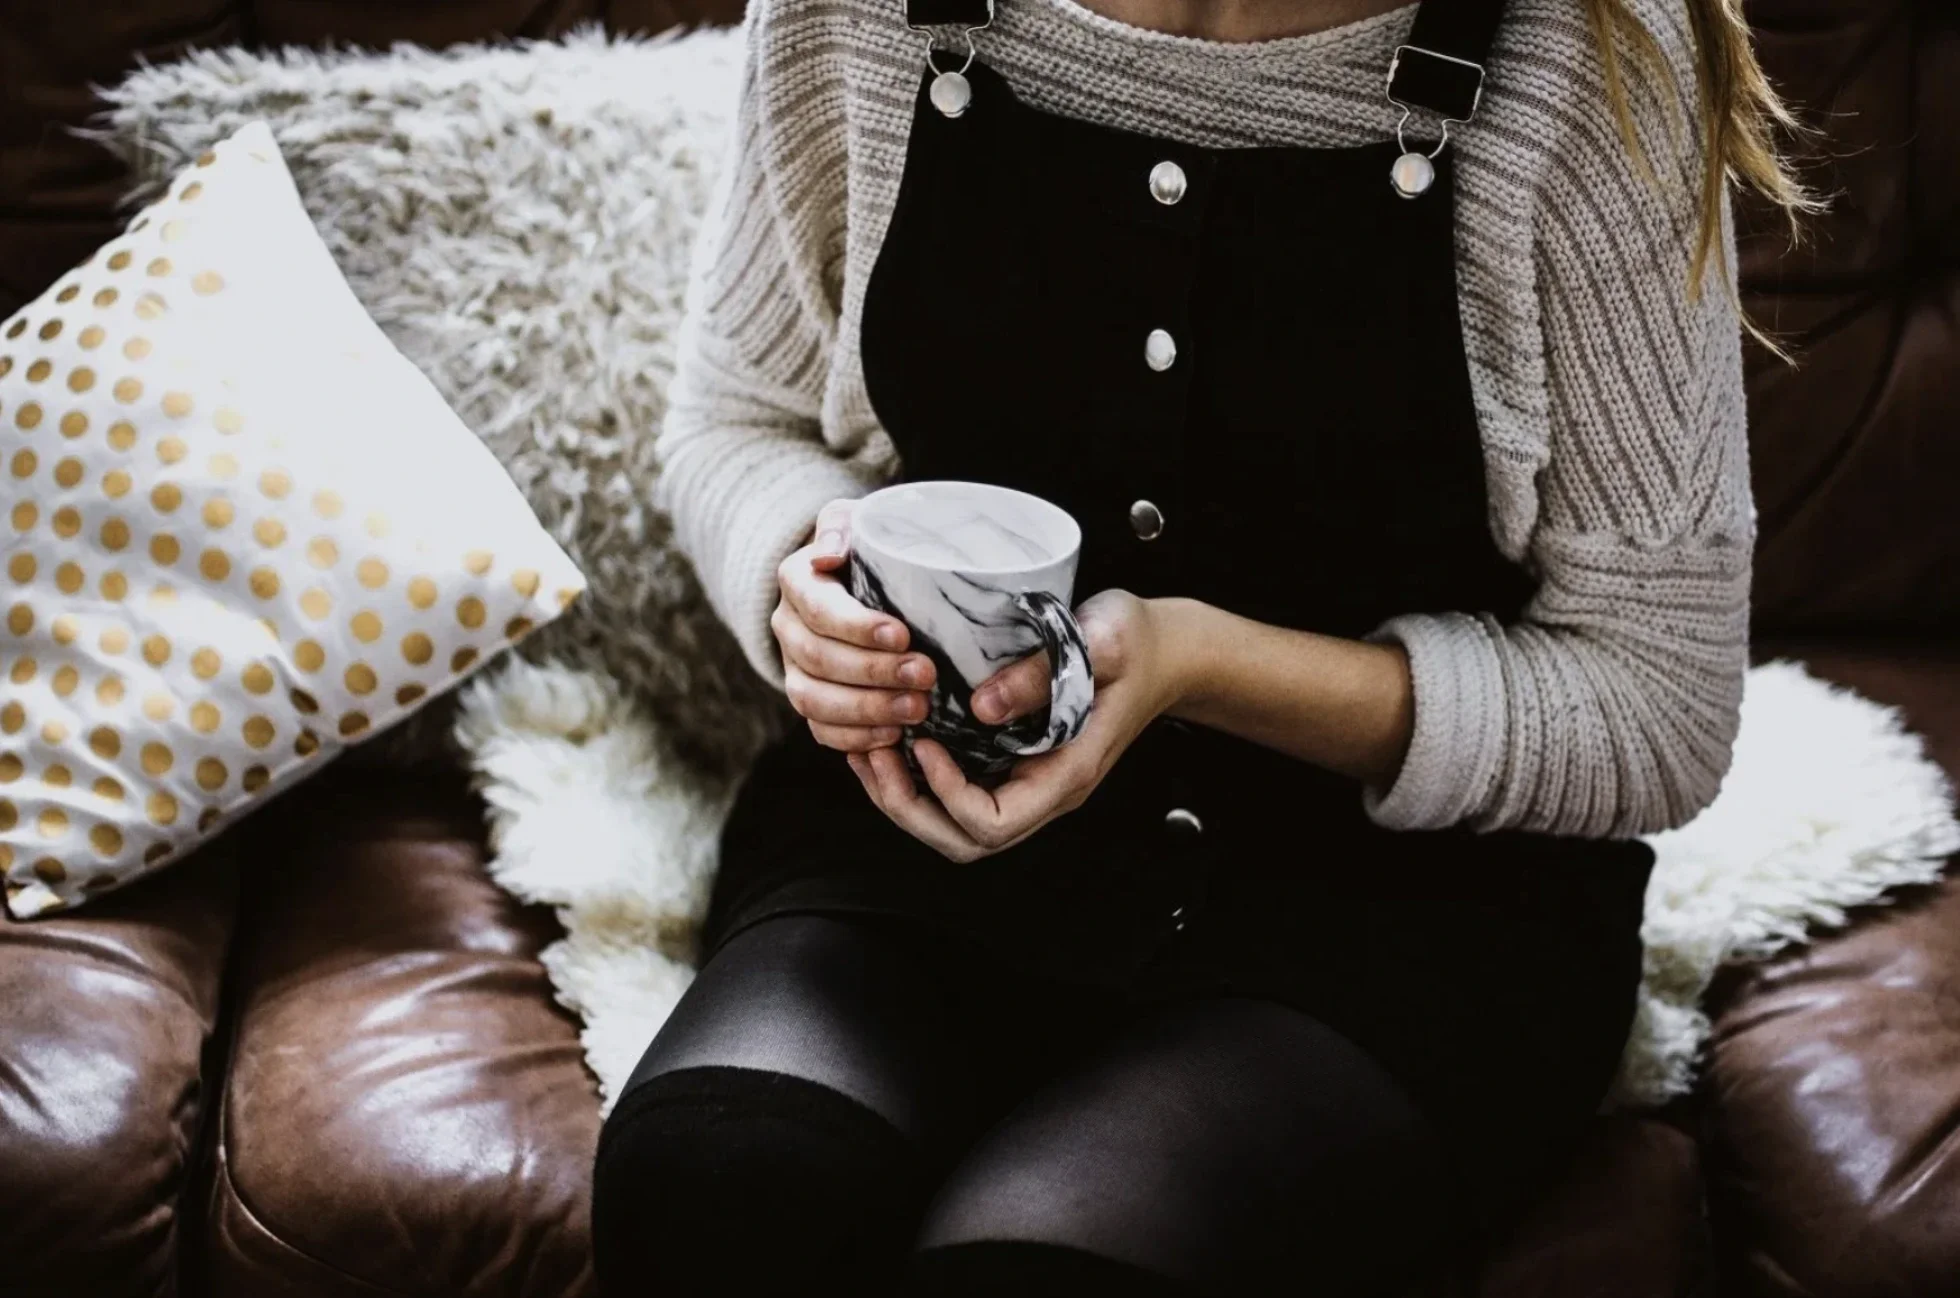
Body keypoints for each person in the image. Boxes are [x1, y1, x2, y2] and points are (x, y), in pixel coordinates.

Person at [592, 0, 1809, 1291]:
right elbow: (735, 421)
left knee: (1051, 1263)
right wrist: (809, 591)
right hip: (929, 845)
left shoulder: (1589, 54)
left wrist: (1195, 660)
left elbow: (1660, 700)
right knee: (716, 1177)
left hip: (1399, 919)